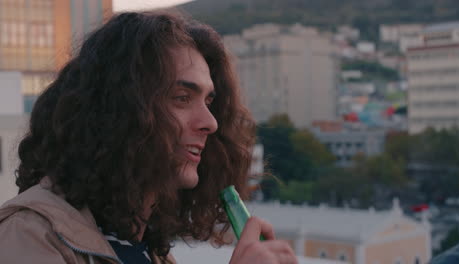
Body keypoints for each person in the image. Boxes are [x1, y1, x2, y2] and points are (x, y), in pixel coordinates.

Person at [0, 11, 298, 264]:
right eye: (182, 98)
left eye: (208, 102)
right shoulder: (28, 234)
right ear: (119, 109)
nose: (211, 123)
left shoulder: (147, 251)